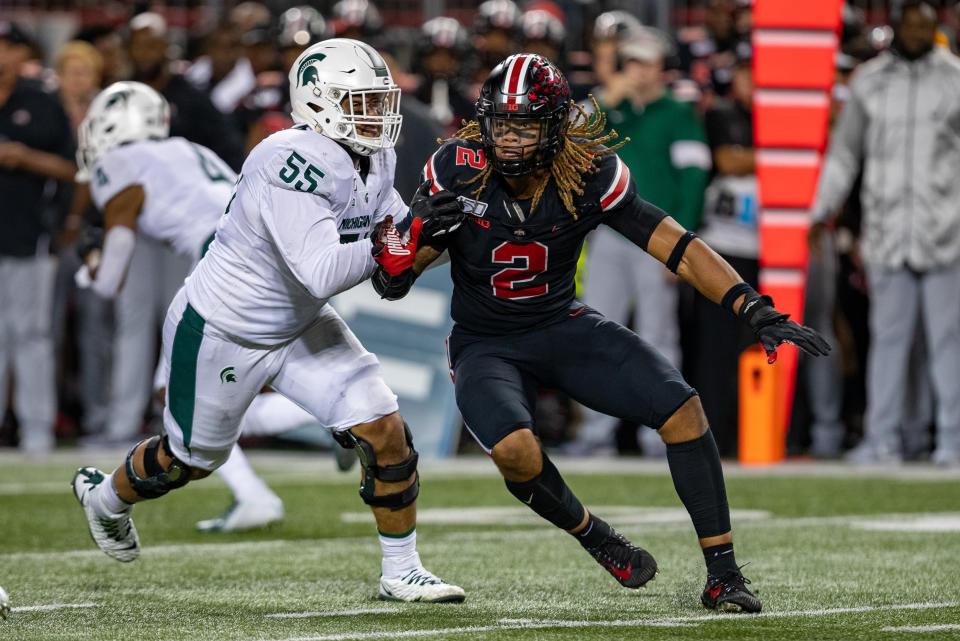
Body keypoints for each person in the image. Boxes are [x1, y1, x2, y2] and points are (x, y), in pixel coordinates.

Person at [373, 53, 831, 612]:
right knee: (516, 452)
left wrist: (750, 305)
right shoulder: (456, 169)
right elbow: (394, 282)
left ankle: (724, 575)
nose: (510, 141)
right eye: (502, 126)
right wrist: (416, 234)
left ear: (557, 127)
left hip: (562, 325)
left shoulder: (588, 173)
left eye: (526, 127)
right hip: (485, 342)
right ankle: (597, 537)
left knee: (683, 409)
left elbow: (675, 245)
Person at [71, 39, 465, 603]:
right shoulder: (289, 157)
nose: (376, 115)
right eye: (361, 102)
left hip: (299, 322)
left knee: (385, 426)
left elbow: (398, 238)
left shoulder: (375, 155)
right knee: (190, 460)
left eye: (379, 101)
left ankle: (401, 570)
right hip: (223, 329)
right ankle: (105, 500)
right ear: (318, 103)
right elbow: (323, 271)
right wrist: (402, 241)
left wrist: (453, 228)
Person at [811, 0, 960, 467]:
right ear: (894, 26)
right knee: (888, 341)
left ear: (937, 27)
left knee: (948, 341)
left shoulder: (955, 78)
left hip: (947, 230)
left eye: (926, 25)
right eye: (910, 24)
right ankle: (882, 440)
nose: (917, 32)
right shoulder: (870, 81)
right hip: (887, 230)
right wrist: (821, 208)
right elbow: (844, 155)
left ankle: (952, 442)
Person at [567, 28, 710, 457]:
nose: (635, 70)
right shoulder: (610, 108)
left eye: (643, 62)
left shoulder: (677, 113)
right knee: (595, 335)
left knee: (658, 337)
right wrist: (606, 99)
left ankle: (662, 435)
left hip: (659, 239)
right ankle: (596, 435)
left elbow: (694, 180)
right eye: (630, 62)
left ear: (661, 68)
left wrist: (681, 245)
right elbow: (564, 137)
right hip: (609, 236)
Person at [0, 21, 77, 454]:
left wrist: (24, 156)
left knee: (30, 334)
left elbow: (72, 168)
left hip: (31, 235)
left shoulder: (42, 102)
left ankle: (36, 431)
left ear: (20, 53)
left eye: (7, 47)